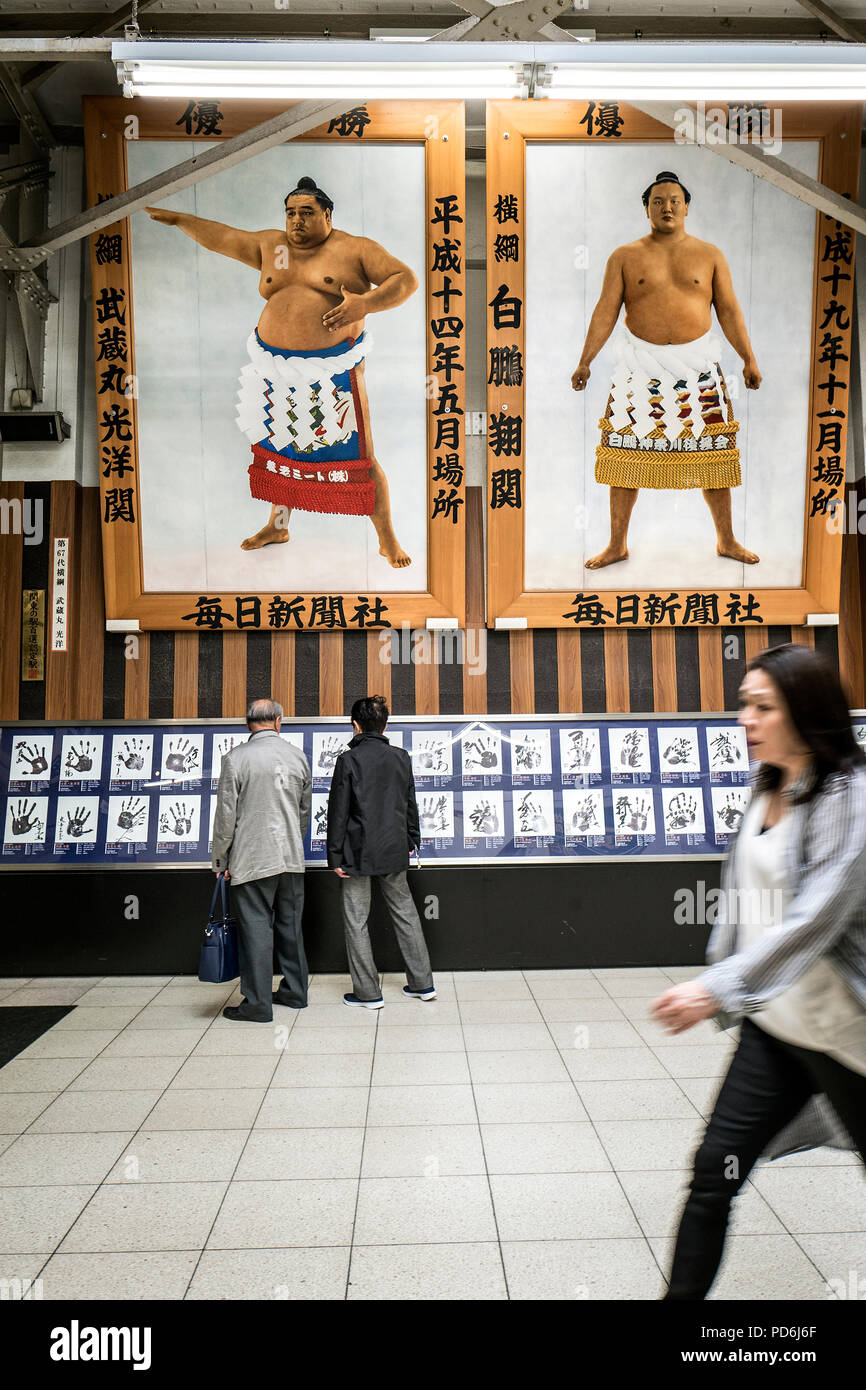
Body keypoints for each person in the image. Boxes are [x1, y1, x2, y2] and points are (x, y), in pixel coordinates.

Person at [650, 643, 866, 1299]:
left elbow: (813, 920)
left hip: (848, 1036)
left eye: (762, 707)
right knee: (714, 1172)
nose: (745, 718)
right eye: (744, 703)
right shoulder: (769, 781)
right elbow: (745, 896)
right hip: (776, 1027)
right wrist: (727, 985)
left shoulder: (847, 798)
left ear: (806, 712)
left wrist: (715, 987)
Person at [145, 175, 417, 566]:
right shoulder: (272, 247)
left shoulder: (355, 249)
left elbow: (405, 279)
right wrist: (180, 220)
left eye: (307, 213)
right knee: (282, 450)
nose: (297, 222)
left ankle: (387, 539)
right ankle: (279, 525)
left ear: (327, 214)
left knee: (359, 458)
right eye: (291, 213)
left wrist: (366, 304)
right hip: (274, 371)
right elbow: (222, 236)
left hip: (333, 374)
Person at [571, 171, 761, 569]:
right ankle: (616, 545)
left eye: (674, 200)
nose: (667, 207)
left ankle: (726, 540)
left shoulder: (710, 254)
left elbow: (728, 310)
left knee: (715, 459)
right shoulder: (624, 256)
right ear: (647, 209)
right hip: (639, 368)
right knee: (623, 459)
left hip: (700, 368)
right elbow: (606, 311)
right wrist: (585, 359)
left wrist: (749, 357)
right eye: (658, 201)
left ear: (686, 207)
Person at [327, 694, 435, 1009]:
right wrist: (413, 838)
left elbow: (338, 811)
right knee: (407, 916)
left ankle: (368, 993)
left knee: (356, 920)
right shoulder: (401, 757)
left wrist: (334, 855)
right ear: (385, 725)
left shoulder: (348, 760)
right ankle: (422, 984)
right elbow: (409, 803)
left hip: (356, 853)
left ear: (355, 726)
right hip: (394, 849)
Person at [212, 698, 311, 1022]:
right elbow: (303, 812)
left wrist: (220, 861)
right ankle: (295, 992)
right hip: (291, 857)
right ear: (279, 721)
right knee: (291, 927)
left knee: (256, 929)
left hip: (252, 858)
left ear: (247, 723)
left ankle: (257, 1004)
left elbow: (226, 816)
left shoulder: (235, 759)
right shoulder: (298, 758)